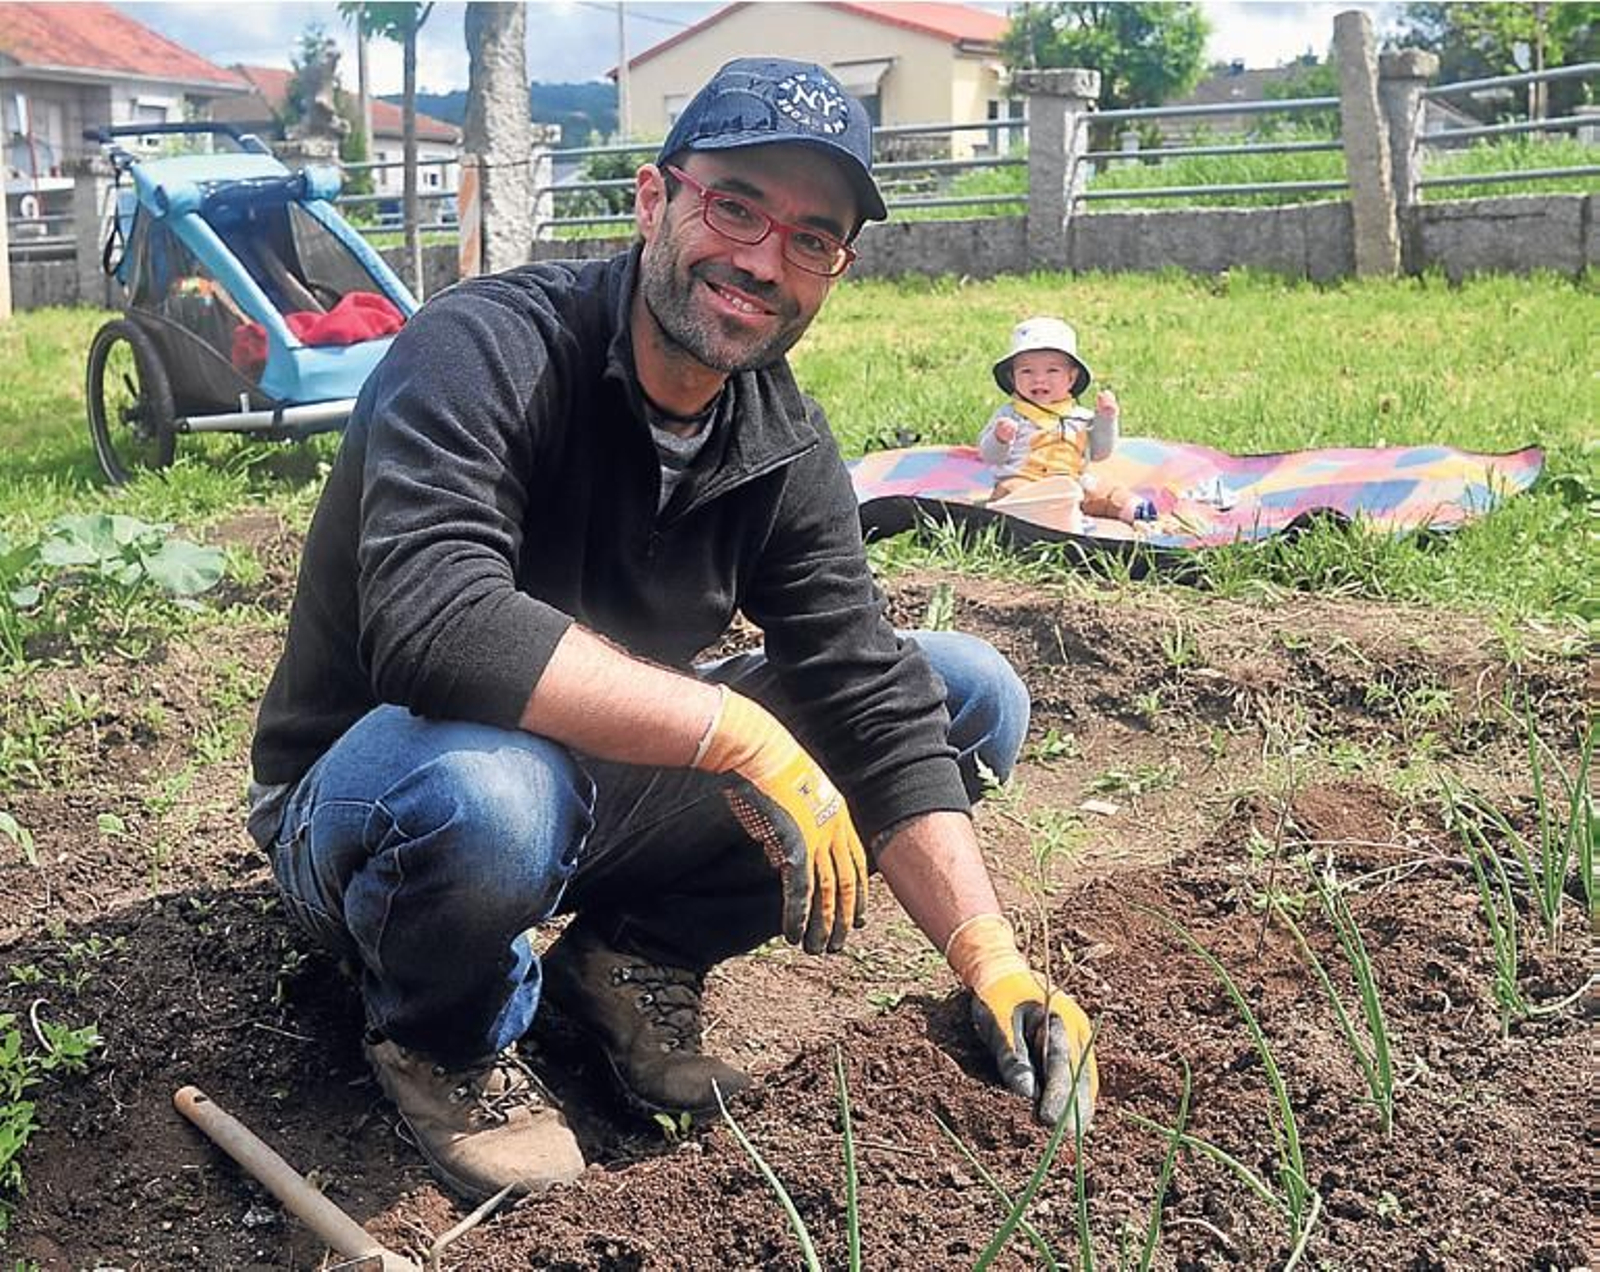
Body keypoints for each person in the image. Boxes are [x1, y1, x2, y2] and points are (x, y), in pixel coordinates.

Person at [246, 58, 1098, 1203]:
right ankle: (443, 1035)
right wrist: (739, 735)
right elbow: (433, 621)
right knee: (495, 794)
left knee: (963, 694)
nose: (761, 259)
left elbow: (865, 691)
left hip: (589, 783)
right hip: (386, 796)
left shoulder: (781, 438)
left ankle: (628, 964)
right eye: (735, 206)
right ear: (655, 199)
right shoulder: (486, 347)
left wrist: (988, 954)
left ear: (837, 270)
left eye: (811, 238)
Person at [978, 316, 1157, 523]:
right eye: (1027, 371)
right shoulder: (1010, 415)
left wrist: (1106, 419)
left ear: (1071, 377)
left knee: (1102, 489)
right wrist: (1000, 439)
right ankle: (1045, 516)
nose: (1039, 379)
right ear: (1012, 378)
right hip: (1026, 481)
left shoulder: (1080, 417)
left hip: (1073, 483)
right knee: (1010, 491)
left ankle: (1129, 507)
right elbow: (991, 457)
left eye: (1052, 370)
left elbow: (1100, 453)